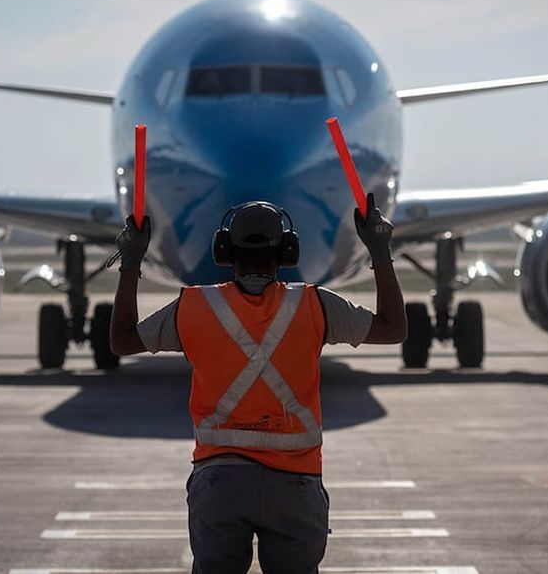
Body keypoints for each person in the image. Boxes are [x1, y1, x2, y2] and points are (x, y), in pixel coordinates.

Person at [110, 193, 406, 574]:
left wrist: (131, 261)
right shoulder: (316, 305)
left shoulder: (195, 307)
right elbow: (394, 329)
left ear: (222, 250)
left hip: (220, 482)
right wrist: (380, 251)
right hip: (294, 484)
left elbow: (122, 340)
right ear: (287, 250)